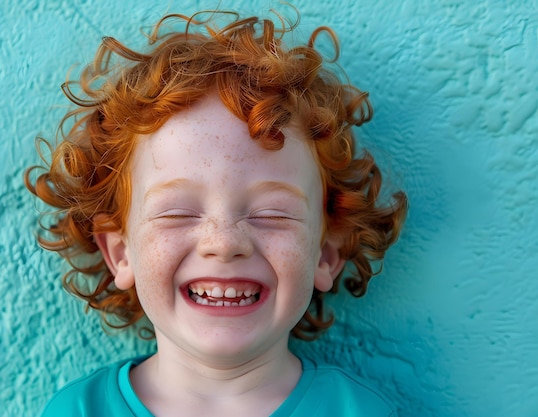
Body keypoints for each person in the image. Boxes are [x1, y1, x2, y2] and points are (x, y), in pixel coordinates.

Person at [26, 8, 407, 417]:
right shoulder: (78, 411)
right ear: (120, 252)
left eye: (273, 213)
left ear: (327, 253)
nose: (224, 243)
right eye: (176, 212)